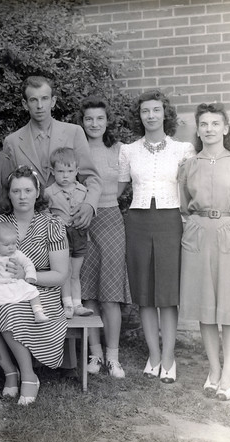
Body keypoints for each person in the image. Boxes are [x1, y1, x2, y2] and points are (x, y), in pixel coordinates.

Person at [0, 166, 69, 405]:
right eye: (16, 191)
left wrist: (26, 276)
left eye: (28, 190)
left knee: (10, 311)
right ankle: (10, 372)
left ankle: (29, 377)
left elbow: (61, 275)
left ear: (37, 193)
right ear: (8, 194)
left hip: (39, 292)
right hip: (1, 287)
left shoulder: (52, 225)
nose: (22, 196)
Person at [179, 103, 230, 401]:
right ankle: (213, 369)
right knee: (206, 308)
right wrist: (196, 227)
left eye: (215, 123)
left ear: (225, 128)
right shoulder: (189, 165)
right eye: (204, 124)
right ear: (198, 130)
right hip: (198, 235)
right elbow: (184, 207)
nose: (209, 129)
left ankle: (229, 372)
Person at [118, 90, 195, 383]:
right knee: (145, 293)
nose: (150, 116)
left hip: (170, 220)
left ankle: (168, 357)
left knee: (167, 294)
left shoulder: (183, 150)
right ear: (139, 116)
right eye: (145, 111)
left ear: (165, 114)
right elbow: (118, 191)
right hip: (137, 221)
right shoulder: (128, 150)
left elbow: (189, 190)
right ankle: (153, 354)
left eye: (156, 110)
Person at [3, 75, 102, 229]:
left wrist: (89, 205)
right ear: (25, 104)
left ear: (53, 101)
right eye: (33, 100)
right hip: (31, 226)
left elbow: (91, 177)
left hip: (71, 221)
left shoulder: (74, 132)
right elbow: (11, 188)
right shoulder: (13, 142)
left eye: (44, 98)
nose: (40, 105)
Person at [79, 97, 132, 379]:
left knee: (110, 291)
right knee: (87, 289)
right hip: (83, 220)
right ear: (82, 121)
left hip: (111, 218)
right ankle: (95, 355)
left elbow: (121, 185)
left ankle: (113, 357)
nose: (94, 124)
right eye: (89, 119)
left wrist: (104, 199)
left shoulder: (120, 150)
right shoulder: (78, 149)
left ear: (107, 120)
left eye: (100, 118)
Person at [0, 222, 49, 334]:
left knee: (33, 291)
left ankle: (38, 312)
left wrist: (30, 275)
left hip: (13, 283)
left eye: (14, 243)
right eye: (6, 245)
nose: (11, 248)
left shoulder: (16, 253)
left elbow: (28, 263)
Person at [45, 147, 94, 318]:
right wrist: (54, 221)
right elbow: (44, 214)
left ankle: (77, 304)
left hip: (79, 235)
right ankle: (67, 305)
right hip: (60, 235)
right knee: (63, 272)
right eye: (60, 171)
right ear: (53, 171)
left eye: (70, 171)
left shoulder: (83, 191)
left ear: (76, 171)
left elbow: (87, 213)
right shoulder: (49, 192)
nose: (65, 175)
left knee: (75, 273)